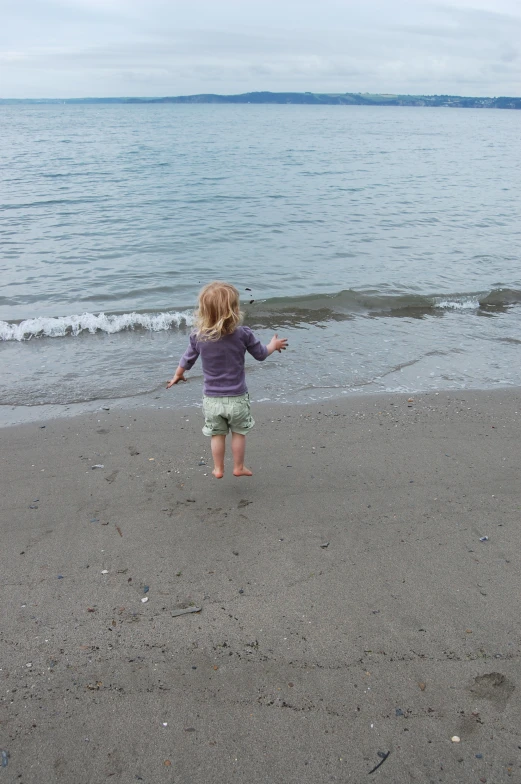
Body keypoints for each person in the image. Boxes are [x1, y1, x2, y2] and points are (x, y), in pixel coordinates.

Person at [167, 281, 287, 478]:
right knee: (239, 433)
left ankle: (218, 468)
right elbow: (261, 354)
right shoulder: (243, 334)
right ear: (233, 310)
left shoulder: (198, 337)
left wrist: (178, 375)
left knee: (217, 435)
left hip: (212, 400)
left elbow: (187, 360)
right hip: (237, 398)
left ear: (204, 311)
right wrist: (273, 345)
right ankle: (238, 467)